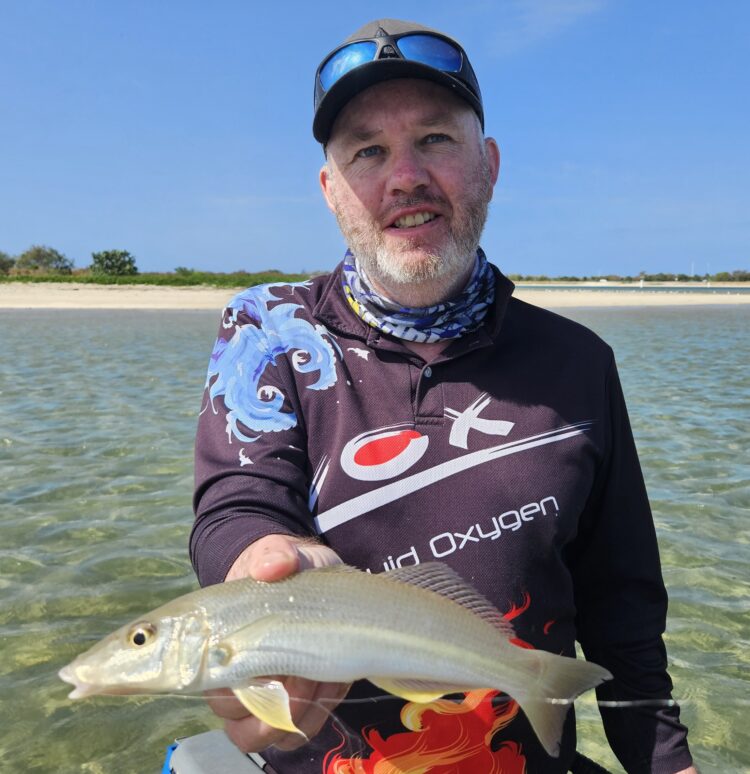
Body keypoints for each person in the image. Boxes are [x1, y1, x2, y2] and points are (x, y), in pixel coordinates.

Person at [191, 18, 696, 774]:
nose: (405, 177)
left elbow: (621, 602)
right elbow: (237, 499)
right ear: (331, 191)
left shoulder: (578, 360)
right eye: (368, 151)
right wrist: (257, 554)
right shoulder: (268, 330)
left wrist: (668, 761)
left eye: (435, 140)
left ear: (488, 165)